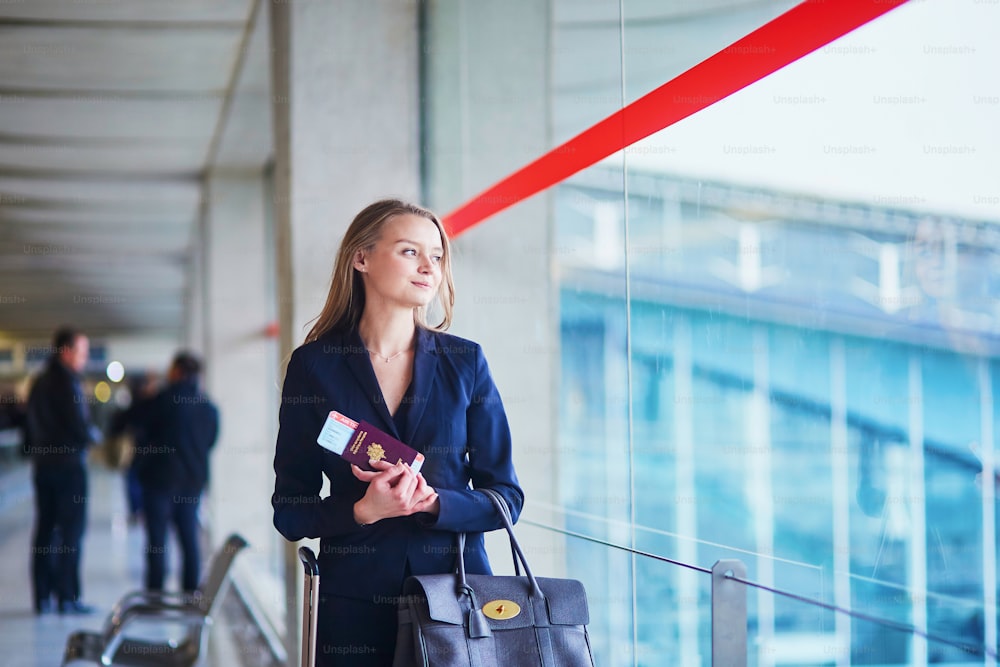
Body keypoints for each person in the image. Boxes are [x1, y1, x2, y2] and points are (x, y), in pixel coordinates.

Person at [272, 199, 523, 666]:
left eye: (438, 255)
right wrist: (363, 511)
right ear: (361, 258)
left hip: (455, 604)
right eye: (410, 251)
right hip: (352, 611)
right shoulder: (314, 368)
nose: (429, 266)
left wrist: (433, 503)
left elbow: (507, 498)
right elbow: (290, 512)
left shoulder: (465, 363)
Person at [25, 326, 100, 615]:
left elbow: (28, 425)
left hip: (43, 467)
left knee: (44, 529)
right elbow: (78, 426)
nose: (85, 358)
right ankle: (67, 597)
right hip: (69, 468)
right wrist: (92, 436)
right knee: (71, 532)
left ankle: (42, 597)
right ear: (66, 351)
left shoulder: (39, 381)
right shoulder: (68, 383)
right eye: (82, 352)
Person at [134, 352, 219, 592]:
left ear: (177, 372)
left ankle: (155, 593)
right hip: (191, 483)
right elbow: (210, 442)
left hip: (158, 482)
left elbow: (139, 429)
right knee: (189, 540)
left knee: (157, 542)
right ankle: (190, 592)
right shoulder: (208, 409)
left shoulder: (160, 401)